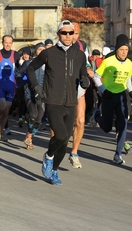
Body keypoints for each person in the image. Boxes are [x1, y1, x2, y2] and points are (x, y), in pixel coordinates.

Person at [27, 20, 89, 185]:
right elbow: (30, 69)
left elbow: (83, 74)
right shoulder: (49, 53)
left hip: (71, 102)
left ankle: (54, 170)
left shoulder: (79, 55)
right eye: (64, 33)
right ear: (58, 34)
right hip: (53, 101)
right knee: (60, 136)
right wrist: (36, 87)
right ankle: (48, 156)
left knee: (64, 140)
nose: (68, 36)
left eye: (71, 33)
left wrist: (85, 81)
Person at [91, 34, 132, 164]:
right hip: (108, 96)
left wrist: (131, 92)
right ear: (116, 49)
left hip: (122, 96)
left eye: (126, 50)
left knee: (123, 124)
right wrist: (104, 91)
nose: (124, 52)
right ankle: (97, 115)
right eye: (122, 49)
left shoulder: (129, 63)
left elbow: (128, 79)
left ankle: (118, 154)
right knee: (107, 128)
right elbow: (96, 77)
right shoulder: (108, 62)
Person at [68, 21, 91, 169]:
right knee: (62, 123)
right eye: (71, 33)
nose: (73, 36)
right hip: (62, 88)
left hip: (78, 87)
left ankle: (74, 153)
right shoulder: (60, 46)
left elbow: (87, 62)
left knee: (80, 121)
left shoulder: (83, 46)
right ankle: (55, 147)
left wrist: (88, 70)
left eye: (76, 33)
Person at [0, 35, 20, 141]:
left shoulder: (16, 55)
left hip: (11, 86)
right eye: (6, 42)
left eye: (10, 42)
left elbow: (18, 69)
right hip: (0, 85)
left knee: (7, 111)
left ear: (12, 43)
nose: (8, 44)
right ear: (2, 43)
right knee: (2, 107)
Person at [23, 43, 46, 150]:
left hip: (42, 95)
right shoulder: (29, 62)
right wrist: (25, 81)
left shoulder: (49, 63)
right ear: (35, 51)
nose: (41, 51)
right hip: (30, 94)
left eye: (43, 49)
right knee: (33, 115)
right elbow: (18, 73)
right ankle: (29, 140)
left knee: (39, 120)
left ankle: (29, 134)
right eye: (39, 49)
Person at [16, 47, 31, 128]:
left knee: (28, 101)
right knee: (21, 101)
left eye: (27, 54)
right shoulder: (20, 62)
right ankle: (21, 117)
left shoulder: (32, 62)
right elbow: (17, 72)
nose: (25, 56)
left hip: (28, 83)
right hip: (20, 84)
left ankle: (27, 116)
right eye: (24, 54)